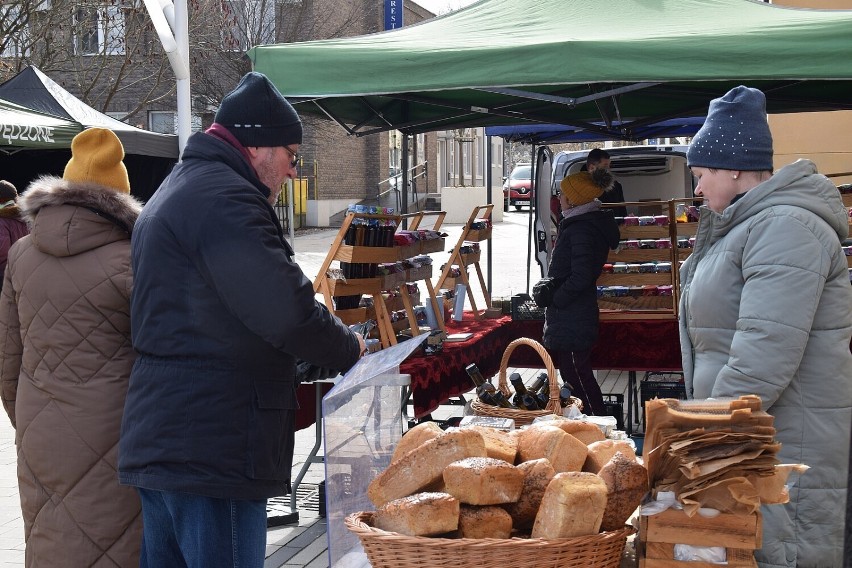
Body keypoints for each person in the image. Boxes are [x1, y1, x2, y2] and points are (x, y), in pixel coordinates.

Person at [118, 71, 366, 567]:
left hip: (173, 439)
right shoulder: (224, 199)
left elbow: (221, 319)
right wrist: (350, 350)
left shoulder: (187, 186)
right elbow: (287, 312)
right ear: (258, 147)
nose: (294, 171)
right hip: (214, 447)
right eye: (292, 156)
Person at [679, 85, 852, 568]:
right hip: (753, 439)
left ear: (734, 168)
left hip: (784, 440)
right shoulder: (745, 226)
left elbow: (764, 355)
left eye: (701, 174)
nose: (696, 188)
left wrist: (699, 435)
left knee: (782, 553)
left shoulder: (786, 228)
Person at [0, 128, 144, 566]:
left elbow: (8, 354)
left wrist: (25, 415)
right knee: (116, 545)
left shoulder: (22, 253)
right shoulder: (134, 259)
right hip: (118, 430)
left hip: (39, 425)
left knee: (49, 537)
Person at [542, 169, 620, 416]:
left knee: (578, 374)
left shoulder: (582, 228)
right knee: (574, 374)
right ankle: (589, 421)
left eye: (562, 194)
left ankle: (597, 423)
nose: (559, 198)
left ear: (573, 200)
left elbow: (582, 275)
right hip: (572, 312)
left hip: (574, 313)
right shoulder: (579, 223)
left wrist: (556, 297)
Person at [0, 180, 29, 291]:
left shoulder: (2, 221)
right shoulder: (28, 217)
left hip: (5, 278)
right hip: (25, 274)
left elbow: (2, 254)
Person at [585, 148, 627, 217]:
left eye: (609, 166)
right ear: (591, 168)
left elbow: (623, 214)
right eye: (605, 166)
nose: (608, 170)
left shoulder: (616, 186)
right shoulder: (580, 188)